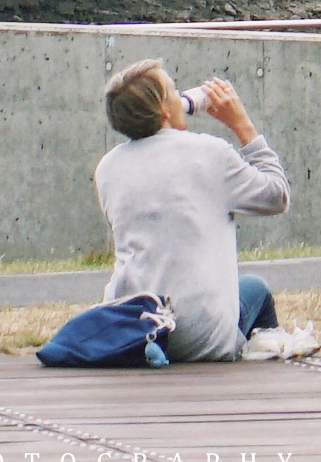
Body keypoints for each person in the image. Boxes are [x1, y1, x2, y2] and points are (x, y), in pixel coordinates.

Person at [94, 59, 290, 361]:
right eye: (173, 89)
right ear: (163, 108)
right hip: (201, 338)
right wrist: (242, 125)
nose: (183, 95)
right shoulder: (209, 153)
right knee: (256, 289)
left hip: (133, 331)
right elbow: (277, 196)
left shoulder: (107, 167)